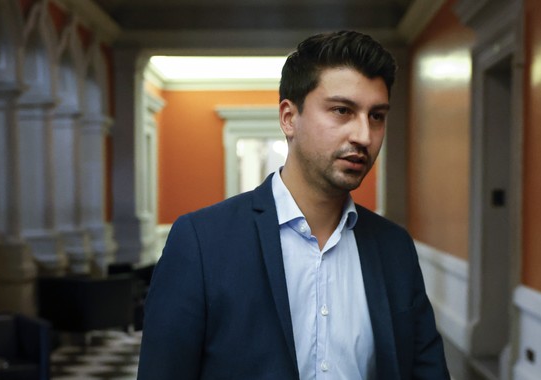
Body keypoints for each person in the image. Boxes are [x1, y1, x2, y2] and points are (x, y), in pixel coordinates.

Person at [137, 30, 450, 380]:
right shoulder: (201, 242)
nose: (364, 135)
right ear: (289, 118)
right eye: (342, 111)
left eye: (376, 116)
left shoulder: (394, 247)